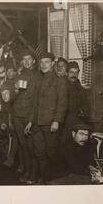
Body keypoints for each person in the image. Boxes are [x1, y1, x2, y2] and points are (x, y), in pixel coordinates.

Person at [25, 52, 68, 184]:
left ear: (53, 64)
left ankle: (51, 181)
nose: (43, 65)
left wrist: (57, 121)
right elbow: (35, 104)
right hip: (38, 123)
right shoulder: (39, 80)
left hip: (51, 123)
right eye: (41, 62)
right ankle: (44, 179)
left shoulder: (60, 80)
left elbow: (63, 102)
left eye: (47, 62)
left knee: (51, 153)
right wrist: (31, 121)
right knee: (39, 153)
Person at [10, 51, 40, 184]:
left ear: (34, 61)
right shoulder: (19, 76)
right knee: (23, 145)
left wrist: (31, 119)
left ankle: (33, 174)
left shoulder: (39, 76)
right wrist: (15, 90)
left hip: (30, 116)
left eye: (29, 59)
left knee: (31, 146)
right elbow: (12, 98)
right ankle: (27, 171)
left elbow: (37, 101)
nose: (27, 62)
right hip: (17, 115)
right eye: (24, 59)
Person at [61, 61, 90, 144]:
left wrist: (83, 110)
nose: (74, 75)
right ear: (66, 73)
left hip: (77, 119)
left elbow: (84, 102)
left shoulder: (78, 84)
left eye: (76, 72)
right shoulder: (62, 84)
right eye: (71, 72)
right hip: (65, 120)